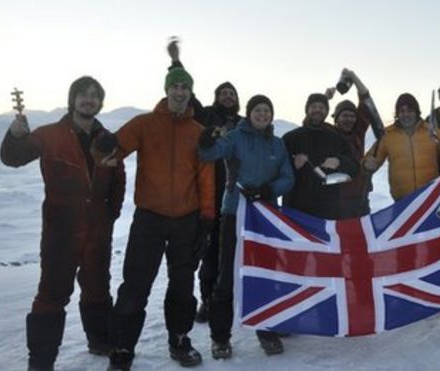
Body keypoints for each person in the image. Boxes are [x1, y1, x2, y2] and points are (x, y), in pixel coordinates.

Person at [0, 77, 126, 370]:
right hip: (61, 231)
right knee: (52, 294)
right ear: (72, 99)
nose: (88, 99)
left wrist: (110, 216)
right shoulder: (50, 134)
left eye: (95, 95)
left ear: (100, 102)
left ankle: (100, 340)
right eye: (83, 94)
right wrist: (14, 134)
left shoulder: (107, 138)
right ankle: (41, 361)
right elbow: (12, 158)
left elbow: (118, 180)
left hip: (97, 231)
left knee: (97, 288)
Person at [96, 67, 216, 370]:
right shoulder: (144, 124)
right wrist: (105, 147)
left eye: (184, 88)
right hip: (149, 218)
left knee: (182, 284)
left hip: (187, 220)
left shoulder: (197, 132)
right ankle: (122, 347)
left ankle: (179, 339)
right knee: (136, 284)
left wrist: (206, 217)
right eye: (174, 86)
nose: (179, 92)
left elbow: (206, 177)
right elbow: (114, 150)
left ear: (190, 92)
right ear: (166, 90)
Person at [198, 94, 295, 359]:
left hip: (265, 216)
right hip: (235, 213)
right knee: (227, 275)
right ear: (249, 113)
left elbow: (288, 177)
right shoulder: (235, 137)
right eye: (257, 110)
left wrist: (269, 190)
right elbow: (209, 153)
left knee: (265, 275)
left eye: (267, 110)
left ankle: (265, 328)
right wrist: (207, 140)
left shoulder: (277, 144)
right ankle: (220, 337)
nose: (262, 115)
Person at [363, 93, 440, 320]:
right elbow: (372, 162)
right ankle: (406, 299)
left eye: (410, 109)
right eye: (402, 110)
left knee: (437, 253)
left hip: (431, 204)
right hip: (403, 206)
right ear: (397, 113)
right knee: (406, 254)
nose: (406, 114)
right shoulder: (387, 136)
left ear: (417, 111)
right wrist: (367, 164)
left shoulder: (431, 131)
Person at [167, 40, 242, 324]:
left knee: (233, 253)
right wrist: (176, 61)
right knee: (209, 254)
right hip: (209, 197)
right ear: (217, 97)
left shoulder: (245, 124)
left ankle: (231, 299)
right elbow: (187, 93)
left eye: (231, 92)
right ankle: (208, 301)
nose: (227, 95)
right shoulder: (206, 117)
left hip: (238, 199)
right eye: (223, 92)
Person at [282, 93, 359, 220]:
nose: (318, 110)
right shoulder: (291, 138)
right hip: (296, 207)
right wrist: (292, 163)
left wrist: (339, 161)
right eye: (314, 106)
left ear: (327, 112)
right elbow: (275, 168)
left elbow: (355, 168)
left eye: (322, 107)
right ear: (307, 110)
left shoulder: (336, 138)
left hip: (328, 209)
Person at [325, 68, 376, 218]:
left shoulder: (358, 132)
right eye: (344, 116)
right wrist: (325, 98)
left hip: (359, 197)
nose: (349, 119)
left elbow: (365, 99)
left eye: (352, 116)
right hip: (335, 198)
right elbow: (312, 120)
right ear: (336, 118)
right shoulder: (329, 133)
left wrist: (353, 77)